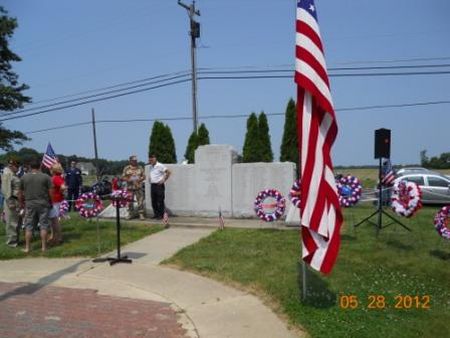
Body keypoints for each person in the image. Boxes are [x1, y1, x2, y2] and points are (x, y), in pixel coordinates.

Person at [19, 159, 52, 253]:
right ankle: (44, 247)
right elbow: (50, 192)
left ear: (29, 167)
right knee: (44, 225)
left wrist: (22, 203)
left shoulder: (24, 177)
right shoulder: (46, 177)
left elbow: (20, 193)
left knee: (28, 226)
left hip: (29, 204)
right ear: (40, 166)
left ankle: (28, 248)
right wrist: (51, 201)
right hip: (43, 203)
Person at [1, 160, 21, 247]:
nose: (18, 168)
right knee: (11, 222)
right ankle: (11, 243)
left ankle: (15, 240)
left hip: (16, 200)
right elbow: (6, 190)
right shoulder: (7, 174)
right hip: (12, 200)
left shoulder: (12, 173)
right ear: (12, 166)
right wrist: (10, 202)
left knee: (16, 222)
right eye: (17, 166)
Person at [122, 155, 146, 220]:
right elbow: (123, 177)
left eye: (136, 160)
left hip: (138, 187)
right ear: (130, 161)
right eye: (133, 160)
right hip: (130, 188)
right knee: (129, 202)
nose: (135, 161)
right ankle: (130, 214)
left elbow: (144, 176)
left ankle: (141, 214)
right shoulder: (126, 168)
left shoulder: (140, 167)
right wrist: (129, 179)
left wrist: (139, 179)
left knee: (140, 201)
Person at [148, 153, 171, 219]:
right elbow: (152, 174)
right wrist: (150, 178)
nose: (151, 160)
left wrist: (164, 180)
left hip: (159, 186)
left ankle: (161, 215)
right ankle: (156, 214)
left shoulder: (160, 165)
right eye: (150, 159)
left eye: (152, 158)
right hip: (153, 185)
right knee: (153, 201)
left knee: (160, 200)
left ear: (155, 158)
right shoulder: (151, 166)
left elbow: (168, 172)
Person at [48, 163, 66, 245]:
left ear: (54, 170)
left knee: (55, 220)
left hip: (55, 201)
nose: (50, 170)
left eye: (51, 169)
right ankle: (53, 235)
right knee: (53, 220)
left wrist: (61, 192)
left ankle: (59, 237)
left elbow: (63, 187)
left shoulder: (56, 178)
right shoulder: (59, 177)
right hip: (56, 200)